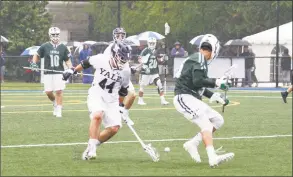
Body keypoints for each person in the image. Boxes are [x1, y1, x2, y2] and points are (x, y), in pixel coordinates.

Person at [173, 34, 234, 167]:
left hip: (191, 97)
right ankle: (212, 158)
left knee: (218, 120)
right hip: (184, 97)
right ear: (214, 49)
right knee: (206, 125)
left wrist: (216, 97)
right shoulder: (199, 59)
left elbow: (198, 86)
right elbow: (198, 81)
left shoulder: (198, 59)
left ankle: (193, 143)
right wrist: (217, 82)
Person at [62, 41, 131, 160]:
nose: (123, 61)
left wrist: (120, 105)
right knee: (98, 115)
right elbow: (85, 63)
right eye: (121, 58)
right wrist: (72, 70)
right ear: (114, 54)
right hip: (97, 93)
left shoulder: (126, 71)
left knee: (114, 128)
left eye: (125, 58)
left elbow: (123, 91)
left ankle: (91, 146)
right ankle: (92, 149)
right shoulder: (101, 59)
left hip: (112, 99)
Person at [32, 27, 73, 118]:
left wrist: (71, 68)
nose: (55, 37)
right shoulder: (45, 46)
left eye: (57, 35)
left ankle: (59, 110)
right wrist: (34, 63)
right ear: (50, 35)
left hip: (59, 72)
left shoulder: (63, 47)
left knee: (59, 91)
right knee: (48, 92)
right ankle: (55, 102)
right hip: (48, 73)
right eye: (53, 35)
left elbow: (67, 60)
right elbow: (36, 55)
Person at [103, 27, 136, 120]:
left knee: (132, 95)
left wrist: (130, 68)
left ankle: (124, 112)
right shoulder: (110, 48)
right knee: (112, 98)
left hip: (124, 76)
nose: (120, 37)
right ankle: (113, 113)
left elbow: (125, 62)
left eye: (122, 35)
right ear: (114, 36)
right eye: (118, 35)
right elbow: (105, 62)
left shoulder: (127, 47)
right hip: (114, 76)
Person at [137, 37, 169, 105]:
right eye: (150, 43)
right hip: (146, 72)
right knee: (142, 86)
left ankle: (162, 100)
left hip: (154, 72)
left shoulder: (156, 51)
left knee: (159, 84)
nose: (151, 44)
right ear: (148, 43)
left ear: (155, 43)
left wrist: (163, 59)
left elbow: (157, 60)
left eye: (153, 43)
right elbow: (140, 60)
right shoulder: (145, 50)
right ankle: (140, 100)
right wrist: (145, 67)